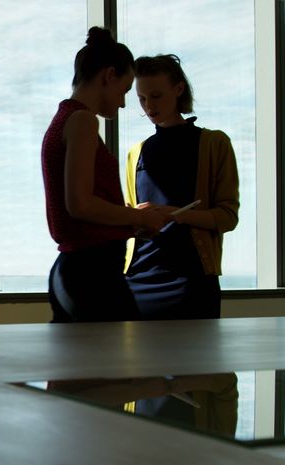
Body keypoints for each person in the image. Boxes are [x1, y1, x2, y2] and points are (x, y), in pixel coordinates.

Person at [41, 27, 168, 323]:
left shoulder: (62, 120)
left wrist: (128, 217)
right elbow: (81, 204)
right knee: (124, 363)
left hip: (73, 269)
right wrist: (139, 218)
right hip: (92, 272)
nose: (123, 103)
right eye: (124, 91)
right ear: (109, 76)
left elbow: (80, 208)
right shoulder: (83, 121)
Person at [125, 55, 239, 320]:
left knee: (198, 360)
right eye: (142, 98)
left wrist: (171, 213)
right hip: (138, 277)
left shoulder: (214, 143)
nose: (149, 106)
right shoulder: (135, 153)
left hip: (191, 280)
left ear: (178, 89)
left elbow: (227, 217)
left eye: (156, 96)